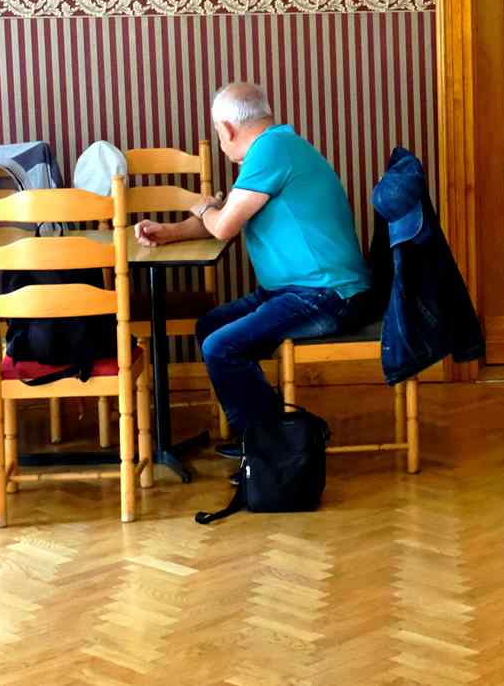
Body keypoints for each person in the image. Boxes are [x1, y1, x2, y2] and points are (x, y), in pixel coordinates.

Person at [135, 83, 369, 444]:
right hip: (296, 291)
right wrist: (170, 232)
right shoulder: (274, 147)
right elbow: (224, 217)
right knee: (212, 327)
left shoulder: (271, 151)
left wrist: (199, 205)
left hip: (326, 295)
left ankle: (269, 447)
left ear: (227, 129)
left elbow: (222, 225)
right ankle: (273, 431)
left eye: (218, 132)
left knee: (221, 347)